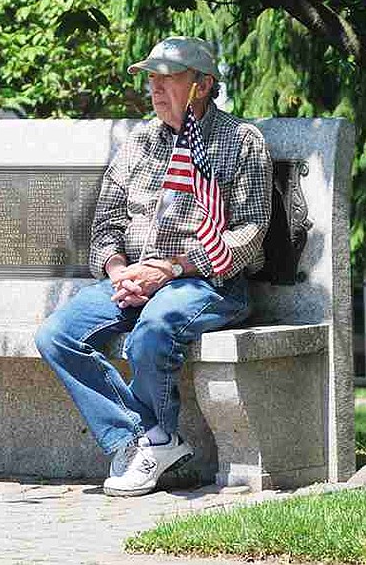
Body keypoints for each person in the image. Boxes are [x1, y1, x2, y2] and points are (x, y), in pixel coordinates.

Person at [34, 36, 273, 496]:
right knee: (56, 335)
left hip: (207, 280)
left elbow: (247, 232)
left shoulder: (241, 142)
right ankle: (141, 438)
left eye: (168, 79)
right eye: (152, 79)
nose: (156, 89)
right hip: (135, 278)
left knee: (153, 329)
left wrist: (171, 269)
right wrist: (118, 270)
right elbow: (106, 220)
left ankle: (154, 439)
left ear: (202, 85)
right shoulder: (139, 143)